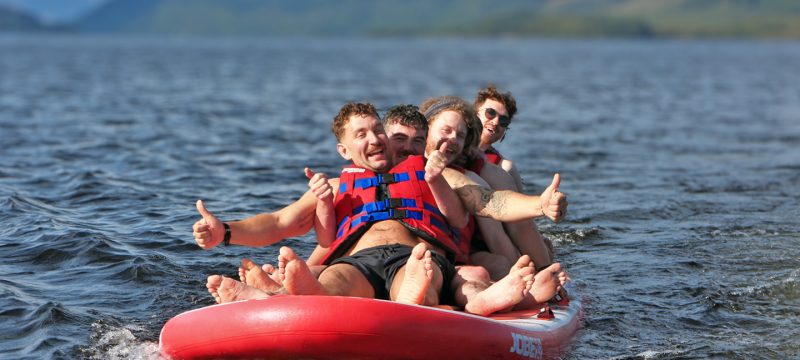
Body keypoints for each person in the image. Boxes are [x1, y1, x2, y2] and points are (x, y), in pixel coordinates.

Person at [195, 102, 567, 315]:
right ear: (347, 150)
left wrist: (539, 204)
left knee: (420, 272)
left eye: (379, 133)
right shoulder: (340, 186)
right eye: (366, 136)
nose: (379, 141)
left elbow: (488, 201)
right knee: (333, 280)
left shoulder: (435, 175)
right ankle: (293, 298)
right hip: (359, 260)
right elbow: (278, 222)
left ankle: (416, 299)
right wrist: (225, 231)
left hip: (418, 255)